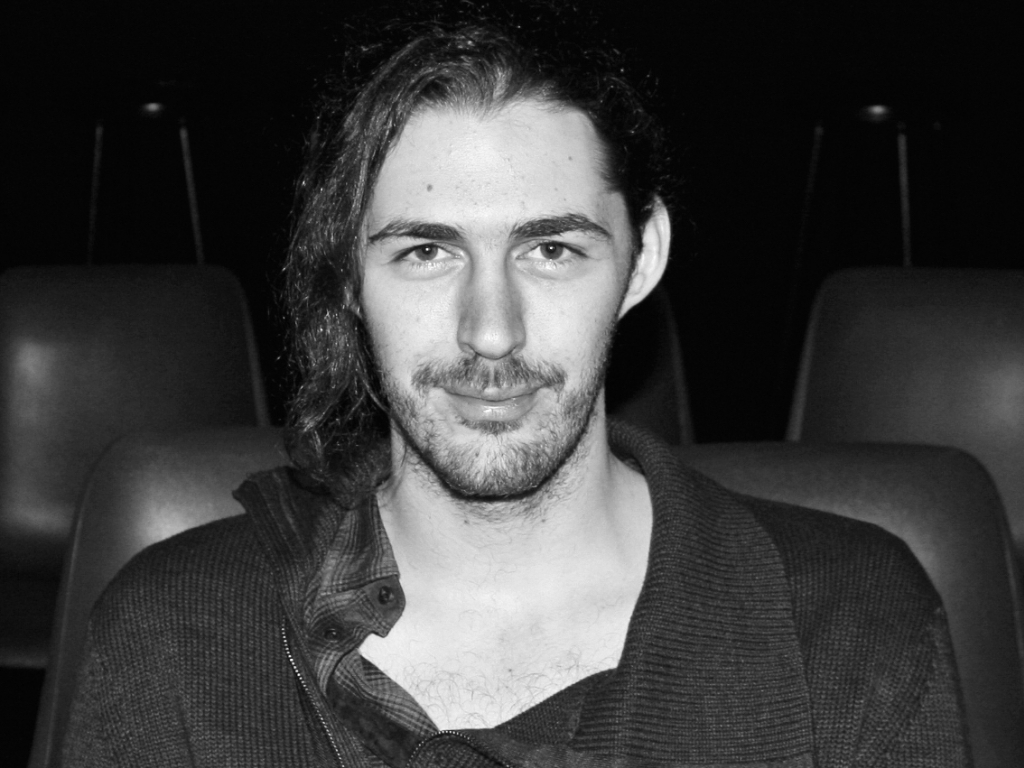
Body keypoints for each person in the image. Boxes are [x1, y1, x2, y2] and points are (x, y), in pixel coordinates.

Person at [62, 8, 971, 768]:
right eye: (427, 251)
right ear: (348, 276)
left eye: (551, 250)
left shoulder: (849, 626)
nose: (491, 330)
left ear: (642, 258)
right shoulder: (173, 634)